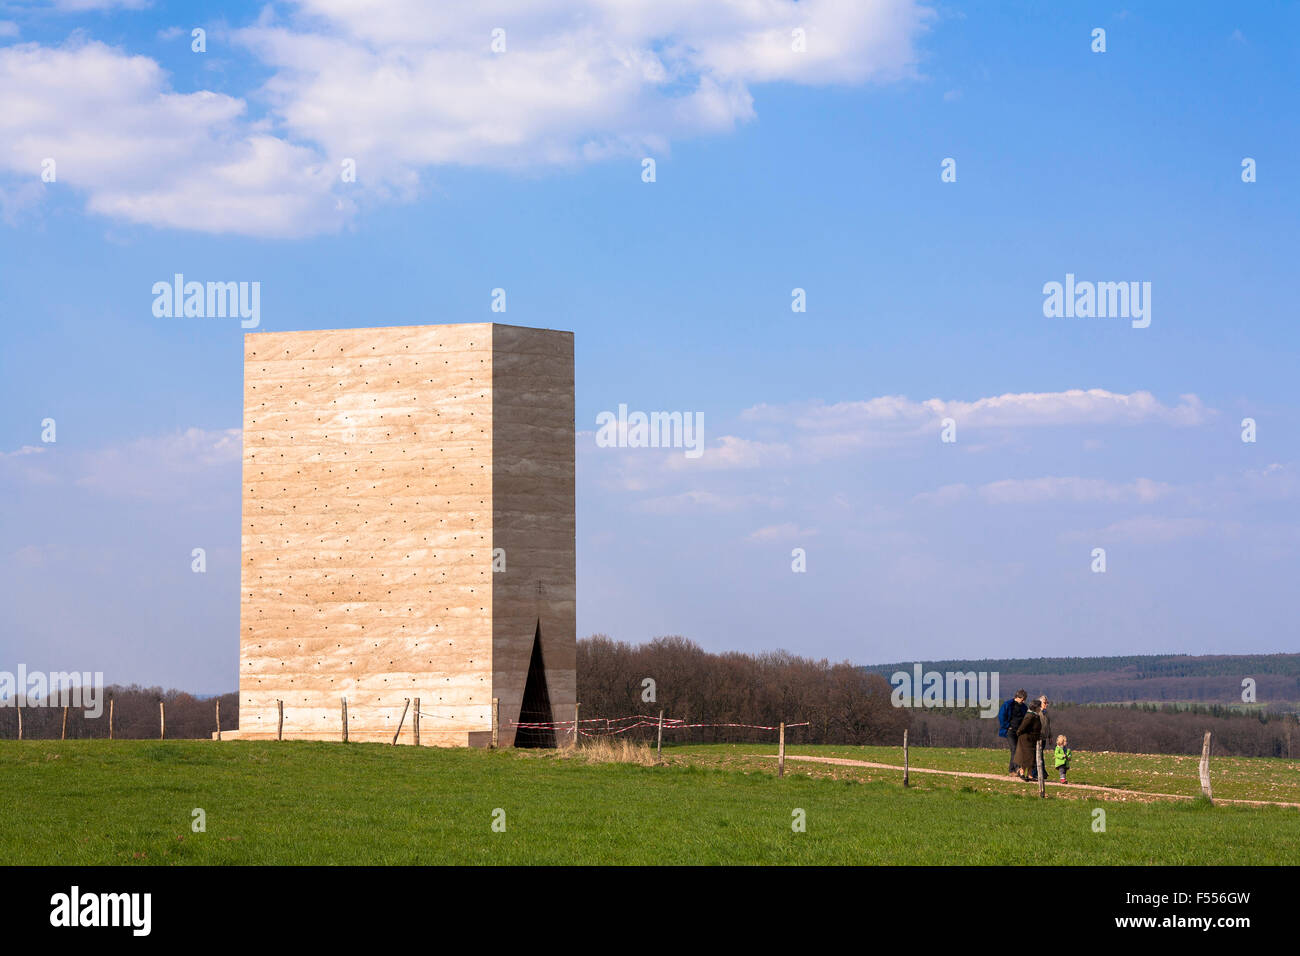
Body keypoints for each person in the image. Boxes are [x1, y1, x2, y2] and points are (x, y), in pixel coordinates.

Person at [997, 690, 1028, 775]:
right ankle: (1016, 768)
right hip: (1010, 731)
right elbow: (1001, 716)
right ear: (1017, 697)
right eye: (1022, 699)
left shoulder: (1024, 707)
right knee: (1014, 748)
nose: (1023, 701)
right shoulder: (1008, 705)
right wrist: (1007, 726)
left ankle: (1012, 770)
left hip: (1019, 731)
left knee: (1017, 750)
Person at [1013, 699, 1043, 781]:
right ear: (1035, 707)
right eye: (1039, 706)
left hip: (1032, 739)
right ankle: (1022, 772)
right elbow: (1022, 727)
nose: (1040, 708)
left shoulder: (1035, 715)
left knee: (1031, 758)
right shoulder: (1029, 716)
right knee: (1026, 757)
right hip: (1026, 740)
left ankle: (1030, 775)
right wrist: (1019, 733)